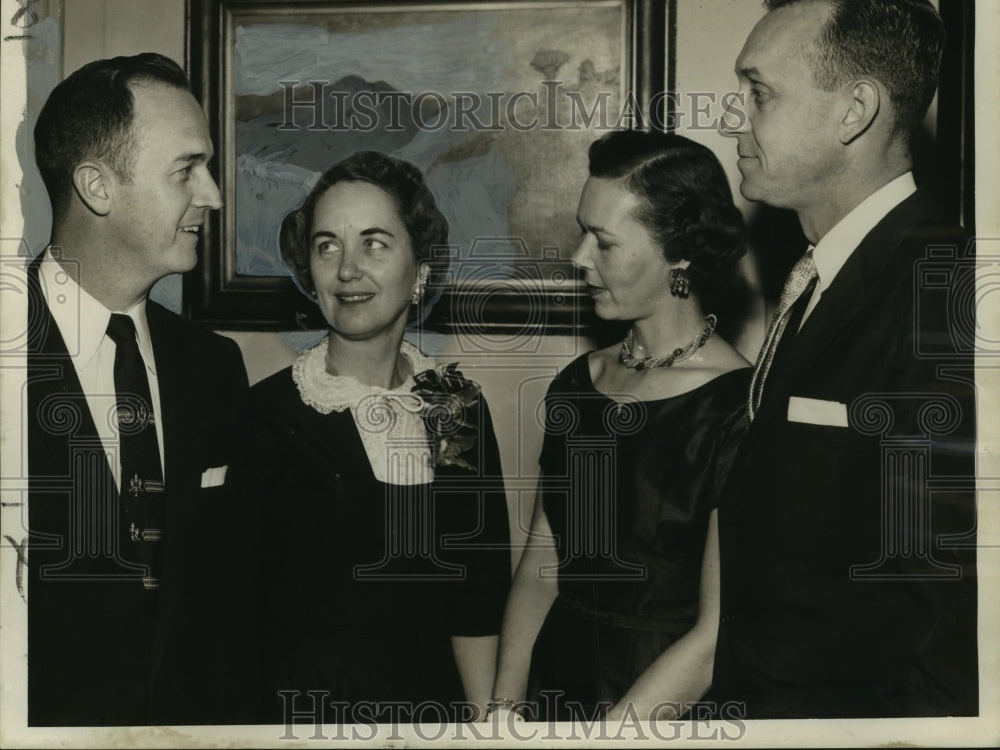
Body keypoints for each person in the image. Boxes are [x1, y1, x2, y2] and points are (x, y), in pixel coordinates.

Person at [714, 0, 978, 718]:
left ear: (854, 110)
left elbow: (951, 622)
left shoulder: (946, 291)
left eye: (759, 93)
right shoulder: (822, 277)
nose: (738, 120)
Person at [234, 150, 511, 724]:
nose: (346, 270)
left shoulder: (457, 410)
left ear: (422, 271)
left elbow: (477, 604)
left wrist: (490, 728)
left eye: (375, 243)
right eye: (326, 244)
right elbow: (232, 622)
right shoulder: (264, 417)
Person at [489, 130, 751, 722]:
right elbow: (542, 564)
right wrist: (502, 711)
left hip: (663, 707)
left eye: (603, 242)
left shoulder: (738, 408)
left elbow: (714, 637)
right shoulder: (579, 383)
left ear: (679, 253)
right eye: (583, 232)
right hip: (557, 686)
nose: (579, 257)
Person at [25, 53, 250, 725]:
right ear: (97, 185)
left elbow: (225, 602)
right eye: (187, 169)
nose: (211, 193)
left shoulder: (213, 367)